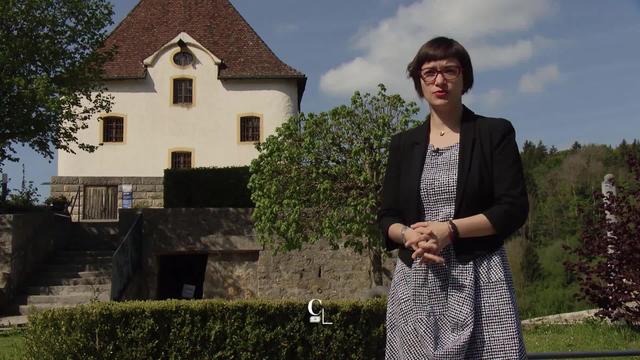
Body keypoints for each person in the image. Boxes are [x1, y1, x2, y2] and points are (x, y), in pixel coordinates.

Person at [378, 36, 529, 359]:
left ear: (465, 77)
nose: (440, 80)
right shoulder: (403, 145)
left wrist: (451, 230)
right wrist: (409, 235)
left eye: (450, 70)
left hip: (481, 275)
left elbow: (512, 208)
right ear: (419, 81)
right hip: (417, 278)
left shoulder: (494, 133)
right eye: (429, 72)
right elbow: (387, 216)